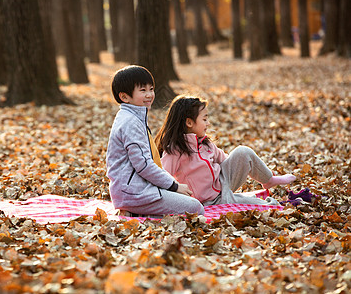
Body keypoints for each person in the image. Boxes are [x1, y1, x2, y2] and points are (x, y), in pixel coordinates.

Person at [155, 95, 297, 206]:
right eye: (204, 119)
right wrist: (177, 188)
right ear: (189, 122)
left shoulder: (206, 144)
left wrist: (242, 166)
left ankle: (268, 180)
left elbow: (227, 161)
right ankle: (277, 204)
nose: (208, 123)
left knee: (242, 152)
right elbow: (163, 175)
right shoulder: (175, 150)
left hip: (224, 182)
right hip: (209, 200)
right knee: (259, 204)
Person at [106, 66, 204, 217]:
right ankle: (134, 212)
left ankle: (135, 212)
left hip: (137, 189)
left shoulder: (132, 117)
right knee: (196, 208)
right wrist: (173, 186)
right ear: (125, 97)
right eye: (142, 90)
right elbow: (144, 165)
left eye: (151, 89)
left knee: (186, 200)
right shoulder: (130, 123)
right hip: (134, 192)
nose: (149, 95)